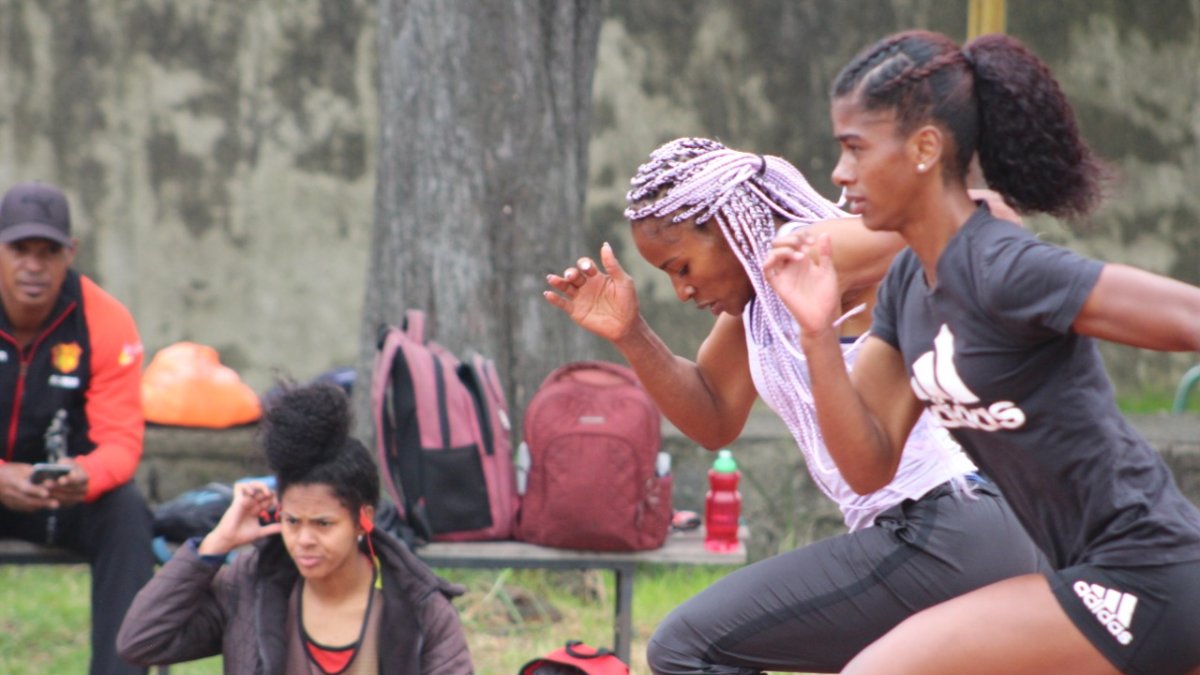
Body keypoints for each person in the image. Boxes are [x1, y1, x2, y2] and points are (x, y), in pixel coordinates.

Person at [764, 30, 1200, 675]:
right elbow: (867, 464)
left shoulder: (1004, 265)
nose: (840, 173)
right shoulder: (910, 283)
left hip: (1146, 572)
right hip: (1083, 570)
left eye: (855, 148)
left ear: (924, 148)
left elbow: (1190, 316)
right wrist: (817, 333)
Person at [544, 137, 1046, 674]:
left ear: (729, 225)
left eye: (682, 266)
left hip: (948, 525)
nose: (681, 291)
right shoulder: (761, 301)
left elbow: (990, 214)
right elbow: (714, 417)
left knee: (686, 647)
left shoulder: (813, 250)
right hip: (969, 530)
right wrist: (631, 334)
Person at [116, 381, 473, 673]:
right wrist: (216, 544)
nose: (304, 540)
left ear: (363, 519)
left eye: (323, 524)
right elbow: (140, 641)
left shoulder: (420, 609)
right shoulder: (248, 588)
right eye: (292, 521)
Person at [0, 181, 154, 675]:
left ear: (72, 253)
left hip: (64, 497)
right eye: (19, 249)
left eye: (50, 251)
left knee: (128, 513)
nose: (34, 266)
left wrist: (84, 474)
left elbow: (122, 440)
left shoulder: (105, 319)